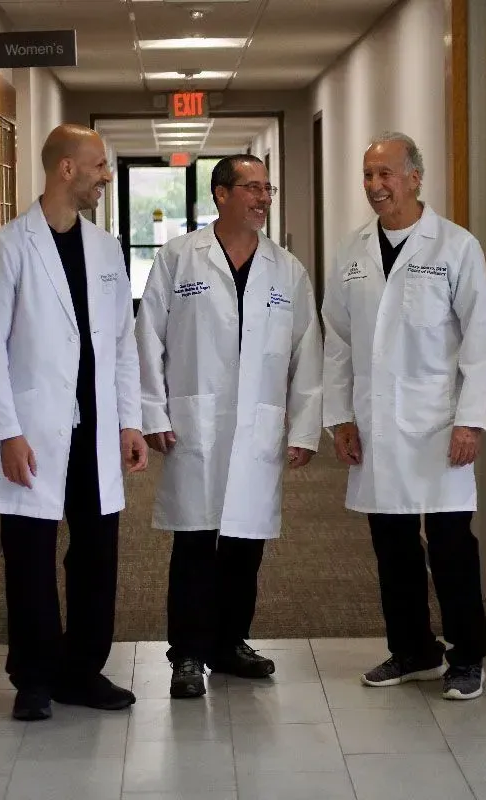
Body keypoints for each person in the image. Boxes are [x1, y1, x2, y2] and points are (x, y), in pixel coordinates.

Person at [0, 124, 148, 721]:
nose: (106, 176)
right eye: (99, 165)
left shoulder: (105, 249)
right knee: (30, 555)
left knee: (97, 553)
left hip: (95, 424)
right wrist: (7, 431)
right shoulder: (6, 247)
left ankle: (82, 671)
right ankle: (35, 677)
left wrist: (130, 422)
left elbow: (122, 343)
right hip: (34, 429)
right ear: (65, 169)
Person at [135, 154, 323, 699]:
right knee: (194, 540)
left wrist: (305, 428)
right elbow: (149, 338)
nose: (264, 198)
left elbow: (306, 351)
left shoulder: (286, 269)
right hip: (197, 420)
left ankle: (231, 642)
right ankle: (188, 654)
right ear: (220, 194)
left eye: (268, 188)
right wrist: (153, 412)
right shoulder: (178, 259)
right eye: (252, 188)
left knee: (245, 541)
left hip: (258, 424)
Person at [322, 132, 486, 700]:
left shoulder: (455, 247)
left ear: (416, 177)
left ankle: (467, 656)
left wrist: (471, 420)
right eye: (368, 175)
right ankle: (413, 650)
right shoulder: (351, 252)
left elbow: (479, 340)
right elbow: (338, 342)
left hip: (439, 423)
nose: (375, 186)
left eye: (386, 174)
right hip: (374, 423)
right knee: (391, 544)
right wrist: (340, 418)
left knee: (450, 545)